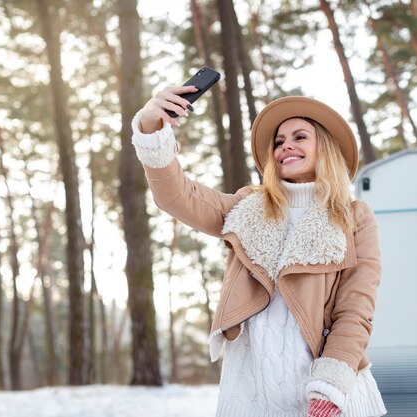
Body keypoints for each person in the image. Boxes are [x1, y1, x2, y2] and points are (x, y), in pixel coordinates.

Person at [131, 85, 387, 417]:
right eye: (279, 142)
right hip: (251, 390)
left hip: (324, 390)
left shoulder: (354, 216)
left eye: (299, 137)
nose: (286, 147)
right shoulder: (246, 207)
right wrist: (152, 125)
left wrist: (330, 384)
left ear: (324, 146)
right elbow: (177, 196)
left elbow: (356, 308)